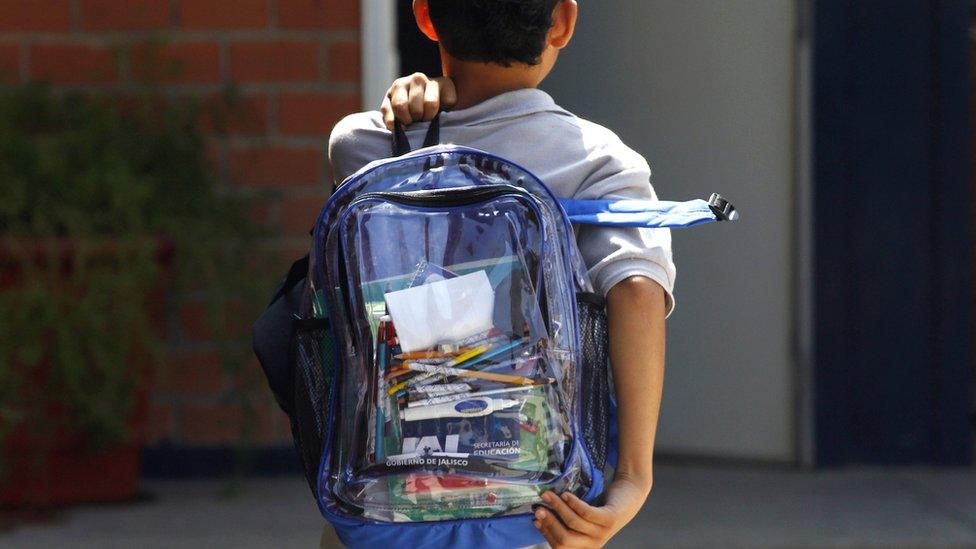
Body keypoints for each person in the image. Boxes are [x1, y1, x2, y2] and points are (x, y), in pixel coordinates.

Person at [326, 1, 672, 547]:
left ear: (425, 17)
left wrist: (431, 93)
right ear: (561, 20)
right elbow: (635, 289)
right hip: (537, 509)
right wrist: (633, 478)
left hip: (385, 504)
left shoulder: (364, 147)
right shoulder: (602, 161)